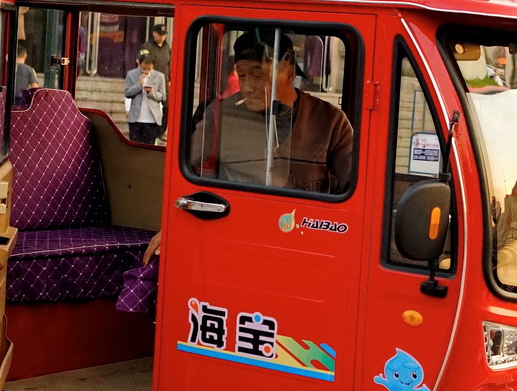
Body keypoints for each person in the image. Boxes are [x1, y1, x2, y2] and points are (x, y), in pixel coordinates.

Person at [142, 28, 354, 266]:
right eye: (242, 76)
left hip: (304, 245)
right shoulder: (219, 115)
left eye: (258, 75)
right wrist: (173, 225)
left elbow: (355, 194)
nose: (248, 86)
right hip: (234, 238)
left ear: (289, 71)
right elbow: (191, 179)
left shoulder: (331, 121)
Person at [124, 53, 166, 145]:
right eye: (144, 69)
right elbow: (127, 93)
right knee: (135, 147)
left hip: (152, 119)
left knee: (149, 147)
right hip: (135, 118)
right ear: (139, 64)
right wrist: (139, 85)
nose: (146, 71)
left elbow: (162, 96)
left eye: (148, 69)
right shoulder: (131, 74)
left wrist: (151, 92)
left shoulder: (159, 76)